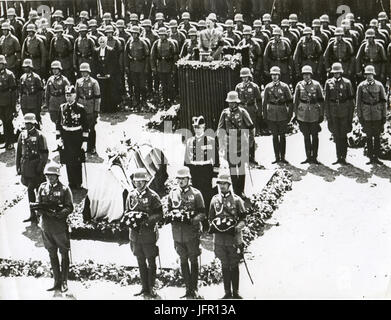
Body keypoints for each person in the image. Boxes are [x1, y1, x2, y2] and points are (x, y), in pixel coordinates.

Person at [167, 167, 205, 299]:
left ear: (189, 179)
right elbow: (168, 210)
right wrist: (172, 216)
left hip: (191, 234)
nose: (181, 181)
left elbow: (202, 213)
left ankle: (194, 288)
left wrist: (193, 220)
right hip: (177, 234)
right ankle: (187, 288)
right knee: (183, 259)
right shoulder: (172, 193)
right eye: (179, 179)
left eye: (183, 179)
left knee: (193, 259)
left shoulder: (196, 194)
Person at [36, 163, 74, 293]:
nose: (50, 178)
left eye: (52, 176)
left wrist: (58, 214)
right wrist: (41, 212)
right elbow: (38, 205)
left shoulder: (64, 189)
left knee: (63, 253)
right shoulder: (42, 188)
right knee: (52, 253)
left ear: (57, 176)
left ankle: (64, 281)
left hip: (59, 227)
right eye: (48, 175)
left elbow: (69, 207)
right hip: (46, 227)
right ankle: (56, 280)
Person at [126, 168, 163, 298]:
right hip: (135, 235)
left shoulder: (153, 196)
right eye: (136, 181)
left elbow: (159, 213)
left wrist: (146, 220)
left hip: (148, 234)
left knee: (151, 261)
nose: (139, 184)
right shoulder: (131, 195)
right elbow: (127, 212)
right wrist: (132, 219)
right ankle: (144, 287)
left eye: (141, 181)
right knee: (140, 260)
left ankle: (151, 286)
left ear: (146, 181)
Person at [209, 172, 246, 299]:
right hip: (219, 240)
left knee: (234, 264)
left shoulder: (236, 200)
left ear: (229, 184)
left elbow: (244, 219)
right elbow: (211, 218)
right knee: (224, 264)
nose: (222, 186)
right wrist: (217, 225)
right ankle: (227, 292)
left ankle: (235, 292)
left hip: (233, 239)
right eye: (220, 183)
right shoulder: (214, 200)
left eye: (224, 183)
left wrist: (235, 228)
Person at [217, 91, 255, 198]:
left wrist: (251, 141)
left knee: (241, 168)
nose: (231, 104)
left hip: (241, 142)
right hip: (230, 143)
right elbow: (220, 129)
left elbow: (251, 127)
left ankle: (241, 190)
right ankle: (235, 191)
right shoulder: (224, 113)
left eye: (233, 102)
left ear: (237, 102)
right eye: (229, 102)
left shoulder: (243, 112)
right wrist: (222, 144)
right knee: (232, 169)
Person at [184, 115, 219, 229]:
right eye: (195, 127)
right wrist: (186, 176)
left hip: (206, 171)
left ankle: (209, 221)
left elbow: (216, 160)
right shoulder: (189, 141)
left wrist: (215, 176)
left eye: (199, 127)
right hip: (195, 171)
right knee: (196, 196)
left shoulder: (210, 140)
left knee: (207, 196)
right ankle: (201, 221)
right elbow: (186, 161)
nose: (197, 129)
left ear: (204, 127)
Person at [16, 113, 48, 223]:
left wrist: (40, 168)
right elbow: (19, 152)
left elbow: (44, 154)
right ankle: (33, 214)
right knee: (31, 191)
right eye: (26, 123)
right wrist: (18, 167)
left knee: (35, 190)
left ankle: (40, 213)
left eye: (30, 123)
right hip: (26, 167)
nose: (28, 125)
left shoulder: (40, 136)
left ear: (34, 123)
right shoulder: (22, 135)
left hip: (36, 168)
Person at [56, 85, 89, 189]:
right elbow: (58, 125)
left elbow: (86, 127)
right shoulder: (62, 108)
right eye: (66, 95)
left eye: (70, 95)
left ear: (75, 96)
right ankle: (71, 182)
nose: (68, 97)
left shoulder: (80, 108)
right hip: (66, 137)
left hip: (77, 137)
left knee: (77, 160)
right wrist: (58, 139)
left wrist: (85, 141)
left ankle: (78, 182)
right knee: (68, 160)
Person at [324, 63, 355, 165]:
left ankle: (344, 157)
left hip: (344, 111)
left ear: (341, 72)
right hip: (333, 111)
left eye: (338, 72)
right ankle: (338, 157)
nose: (336, 74)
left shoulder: (347, 83)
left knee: (343, 134)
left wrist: (351, 115)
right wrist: (328, 115)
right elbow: (326, 100)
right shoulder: (328, 83)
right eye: (334, 72)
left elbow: (351, 100)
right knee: (336, 135)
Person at [356, 65, 387, 165]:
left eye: (371, 74)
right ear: (365, 75)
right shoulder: (361, 86)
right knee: (368, 136)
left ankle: (377, 157)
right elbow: (358, 102)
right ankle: (370, 157)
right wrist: (360, 116)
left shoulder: (379, 85)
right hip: (366, 114)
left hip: (377, 113)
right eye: (367, 74)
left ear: (373, 74)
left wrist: (384, 115)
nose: (369, 76)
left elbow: (384, 101)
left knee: (377, 136)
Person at [293, 65, 325, 164]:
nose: (306, 76)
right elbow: (296, 100)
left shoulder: (316, 85)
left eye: (308, 74)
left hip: (314, 113)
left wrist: (321, 113)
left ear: (311, 75)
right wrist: (295, 114)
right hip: (303, 113)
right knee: (306, 135)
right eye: (304, 75)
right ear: (302, 76)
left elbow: (321, 100)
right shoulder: (299, 85)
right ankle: (308, 156)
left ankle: (314, 157)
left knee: (315, 135)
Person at [262, 66, 293, 163]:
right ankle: (277, 157)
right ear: (271, 76)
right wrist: (265, 115)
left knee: (282, 136)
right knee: (275, 136)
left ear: (279, 75)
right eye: (273, 75)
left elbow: (290, 102)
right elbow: (264, 102)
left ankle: (283, 157)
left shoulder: (284, 87)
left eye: (276, 75)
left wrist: (289, 115)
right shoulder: (268, 87)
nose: (274, 77)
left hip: (282, 113)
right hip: (271, 114)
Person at [75, 63, 101, 154]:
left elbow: (97, 98)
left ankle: (92, 147)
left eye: (85, 71)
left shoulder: (94, 82)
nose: (83, 73)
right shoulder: (78, 82)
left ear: (88, 71)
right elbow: (76, 96)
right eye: (82, 71)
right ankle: (82, 146)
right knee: (80, 128)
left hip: (90, 108)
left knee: (91, 128)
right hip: (81, 106)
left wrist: (96, 111)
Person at [150, 27, 177, 108]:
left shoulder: (171, 43)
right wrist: (153, 67)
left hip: (169, 67)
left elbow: (175, 56)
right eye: (160, 35)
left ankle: (171, 100)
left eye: (163, 35)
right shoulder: (156, 43)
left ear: (166, 35)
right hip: (160, 67)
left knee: (170, 85)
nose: (161, 36)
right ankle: (164, 101)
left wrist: (174, 68)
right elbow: (152, 55)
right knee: (162, 85)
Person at [124, 26, 150, 112]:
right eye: (132, 33)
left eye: (135, 33)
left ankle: (144, 101)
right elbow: (126, 54)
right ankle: (137, 102)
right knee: (135, 85)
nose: (134, 35)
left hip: (141, 66)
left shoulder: (143, 42)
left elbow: (147, 56)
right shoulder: (129, 42)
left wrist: (146, 67)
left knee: (142, 85)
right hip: (133, 67)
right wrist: (127, 66)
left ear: (138, 34)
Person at [235, 67, 262, 142]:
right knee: (242, 126)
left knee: (251, 126)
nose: (244, 79)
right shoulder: (238, 87)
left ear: (249, 77)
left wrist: (259, 111)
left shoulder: (254, 86)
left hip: (251, 108)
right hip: (242, 108)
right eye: (243, 77)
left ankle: (252, 142)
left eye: (246, 77)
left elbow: (259, 100)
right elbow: (236, 100)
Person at [0, 55, 17, 150]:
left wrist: (13, 105)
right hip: (0, 102)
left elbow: (14, 91)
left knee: (8, 122)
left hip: (8, 101)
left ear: (4, 64)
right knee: (3, 122)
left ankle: (11, 142)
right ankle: (6, 141)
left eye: (0, 64)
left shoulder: (10, 75)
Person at [19, 58, 44, 125]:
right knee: (26, 120)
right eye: (24, 67)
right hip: (25, 102)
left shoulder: (36, 78)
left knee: (35, 120)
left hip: (34, 101)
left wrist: (39, 104)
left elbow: (40, 91)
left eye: (27, 67)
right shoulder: (22, 77)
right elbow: (20, 91)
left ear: (30, 67)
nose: (25, 69)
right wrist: (21, 101)